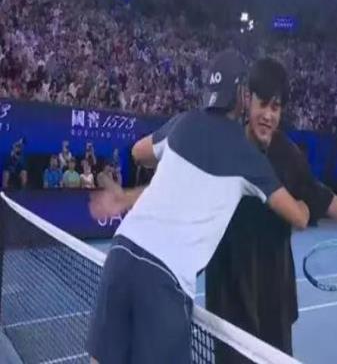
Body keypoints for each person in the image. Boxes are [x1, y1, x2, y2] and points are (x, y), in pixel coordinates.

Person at [86, 50, 310, 364]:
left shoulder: (182, 123)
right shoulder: (248, 157)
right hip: (165, 279)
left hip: (121, 253)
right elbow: (298, 218)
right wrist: (305, 205)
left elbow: (137, 152)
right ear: (243, 97)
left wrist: (148, 179)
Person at [205, 58, 337, 359]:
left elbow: (319, 196)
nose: (268, 116)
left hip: (274, 297)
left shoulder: (288, 155)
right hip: (230, 296)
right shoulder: (225, 146)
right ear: (246, 99)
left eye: (276, 108)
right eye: (263, 104)